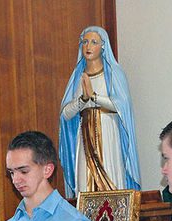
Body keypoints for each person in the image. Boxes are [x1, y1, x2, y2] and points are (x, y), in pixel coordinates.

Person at [58, 25, 141, 198]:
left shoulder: (113, 73)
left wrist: (94, 97)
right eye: (85, 42)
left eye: (94, 42)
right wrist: (82, 100)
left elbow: (122, 105)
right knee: (84, 182)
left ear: (103, 46)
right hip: (85, 134)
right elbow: (65, 114)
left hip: (108, 130)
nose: (88, 46)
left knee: (111, 177)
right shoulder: (78, 76)